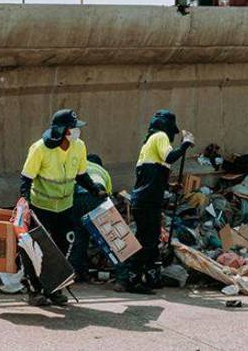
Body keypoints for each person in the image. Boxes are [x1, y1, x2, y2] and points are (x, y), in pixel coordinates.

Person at [20, 109, 108, 305]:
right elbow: (26, 178)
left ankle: (54, 289)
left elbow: (81, 175)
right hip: (41, 206)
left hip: (65, 206)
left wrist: (95, 190)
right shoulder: (40, 149)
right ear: (61, 131)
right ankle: (33, 289)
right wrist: (25, 202)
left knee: (63, 247)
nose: (77, 132)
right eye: (73, 128)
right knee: (35, 248)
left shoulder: (79, 147)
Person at [115, 110, 194, 294]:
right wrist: (185, 145)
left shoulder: (149, 142)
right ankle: (132, 280)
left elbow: (152, 174)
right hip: (148, 200)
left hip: (146, 199)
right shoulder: (160, 137)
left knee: (148, 239)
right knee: (146, 241)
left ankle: (149, 278)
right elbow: (170, 157)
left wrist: (169, 185)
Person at [69, 153, 113, 282]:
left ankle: (76, 273)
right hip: (96, 196)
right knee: (110, 238)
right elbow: (107, 195)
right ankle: (123, 278)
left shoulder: (80, 168)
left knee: (80, 238)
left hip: (78, 198)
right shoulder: (102, 171)